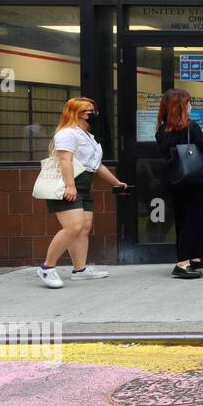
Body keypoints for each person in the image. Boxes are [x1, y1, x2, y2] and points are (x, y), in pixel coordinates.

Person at [37, 97, 129, 289]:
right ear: (76, 113)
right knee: (73, 227)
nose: (93, 114)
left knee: (84, 228)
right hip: (68, 185)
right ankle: (47, 267)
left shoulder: (87, 136)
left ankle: (80, 270)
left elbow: (96, 165)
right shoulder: (67, 133)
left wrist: (116, 182)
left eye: (93, 110)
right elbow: (65, 160)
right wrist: (70, 186)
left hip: (84, 186)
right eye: (89, 111)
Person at [154, 89, 203, 279]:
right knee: (193, 221)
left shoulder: (161, 130)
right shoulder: (191, 127)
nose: (191, 106)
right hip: (192, 180)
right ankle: (182, 263)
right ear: (181, 107)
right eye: (188, 103)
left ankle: (194, 257)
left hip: (176, 180)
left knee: (184, 219)